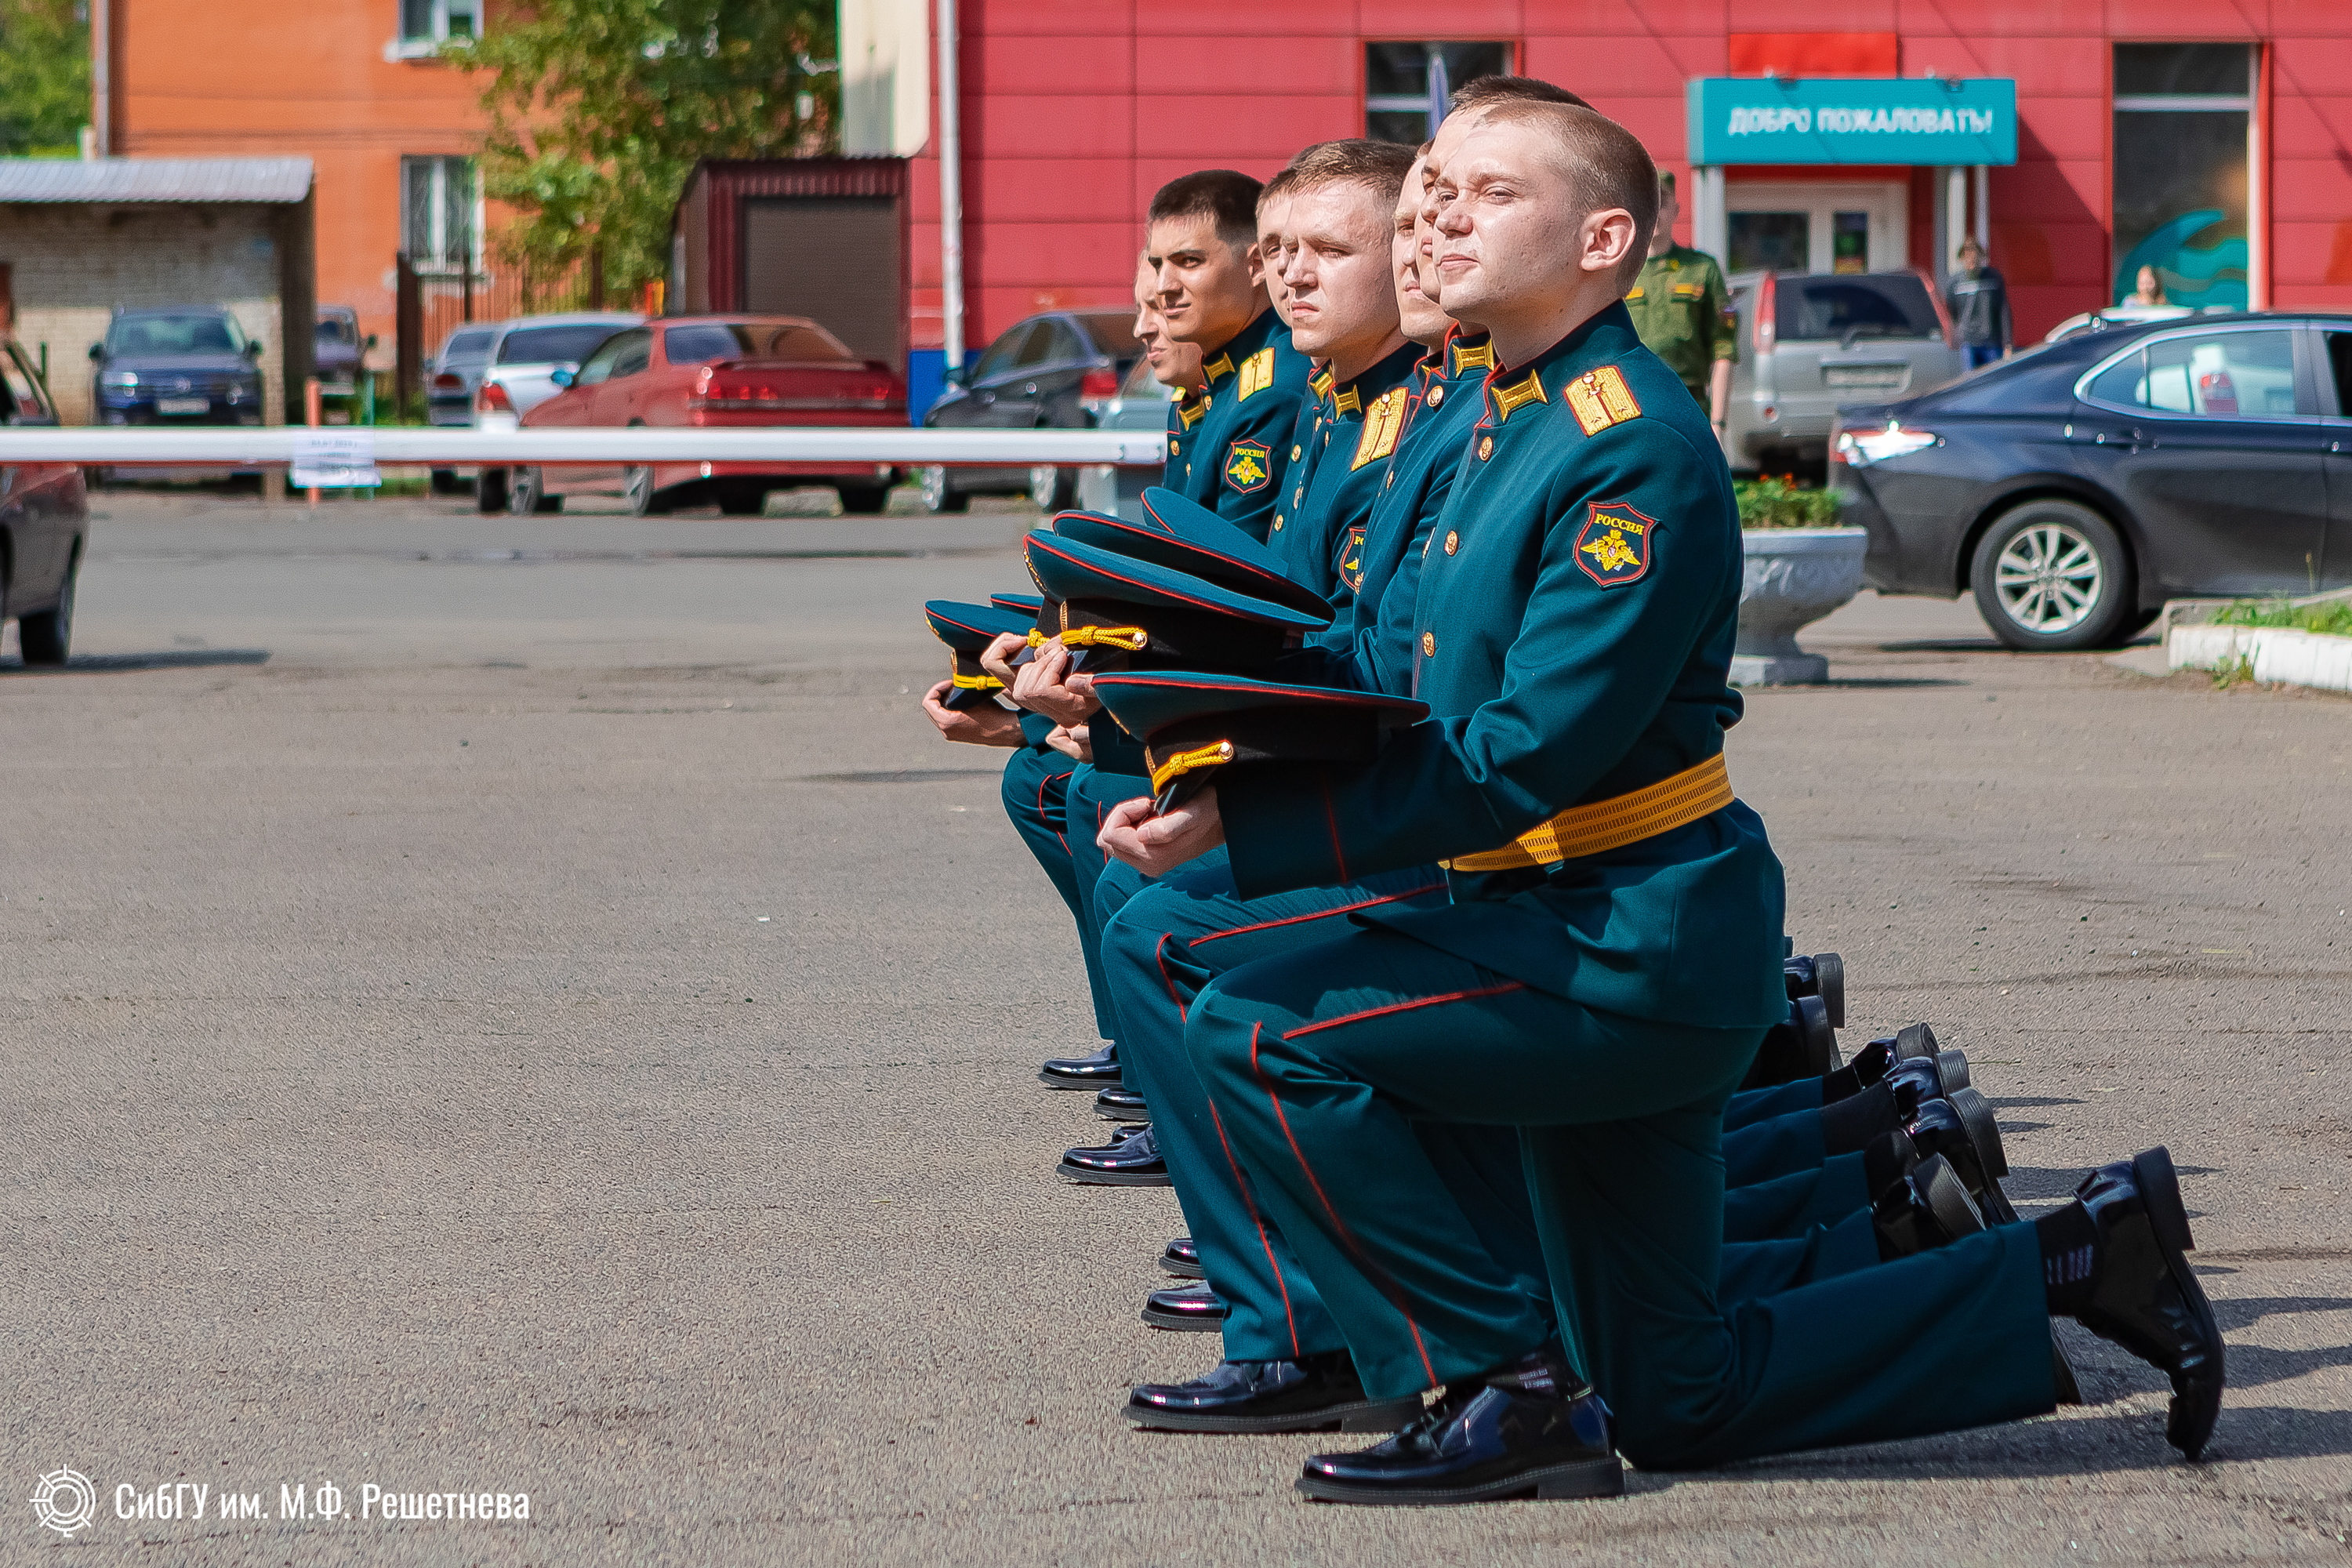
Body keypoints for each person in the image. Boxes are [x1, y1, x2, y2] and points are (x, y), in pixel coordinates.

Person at [1099, 97, 2220, 1504]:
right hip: (1556, 923)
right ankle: (2075, 1264)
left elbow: (1522, 752)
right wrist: (1167, 723)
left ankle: (1500, 1389)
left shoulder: (1623, 447)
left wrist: (1245, 826)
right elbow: (1381, 660)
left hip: (1626, 944)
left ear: (1603, 239)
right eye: (1430, 187)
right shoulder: (1513, 414)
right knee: (1676, 1393)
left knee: (1261, 1023)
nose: (1435, 214)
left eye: (1483, 192)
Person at [1145, 170, 1315, 540]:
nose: (1164, 287)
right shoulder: (1219, 377)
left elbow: (1229, 572)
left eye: (1189, 261)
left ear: (1255, 266)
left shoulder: (1269, 391)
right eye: (1158, 265)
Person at [1624, 170, 1736, 438]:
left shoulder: (1702, 269)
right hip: (1632, 406)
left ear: (1675, 210)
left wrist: (1718, 423)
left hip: (1689, 403)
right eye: (1647, 204)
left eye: (1662, 204)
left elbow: (1724, 349)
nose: (1655, 213)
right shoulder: (1619, 270)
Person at [1947, 237, 2012, 370]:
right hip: (1967, 343)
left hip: (1991, 342)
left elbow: (2003, 310)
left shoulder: (1993, 278)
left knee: (1994, 381)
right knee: (1970, 383)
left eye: (1975, 258)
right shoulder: (1954, 283)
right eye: (1968, 258)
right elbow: (1951, 314)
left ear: (1981, 257)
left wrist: (2008, 343)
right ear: (1962, 258)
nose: (1972, 262)